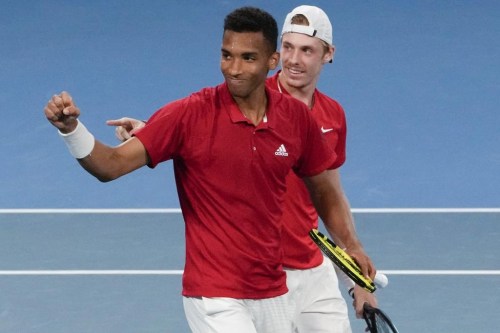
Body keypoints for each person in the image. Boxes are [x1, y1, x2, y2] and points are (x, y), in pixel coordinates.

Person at [44, 6, 375, 333]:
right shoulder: (188, 114)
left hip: (272, 289)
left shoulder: (298, 120)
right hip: (215, 294)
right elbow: (108, 165)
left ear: (269, 62)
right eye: (226, 55)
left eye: (247, 58)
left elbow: (325, 191)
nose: (233, 68)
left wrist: (353, 248)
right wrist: (71, 130)